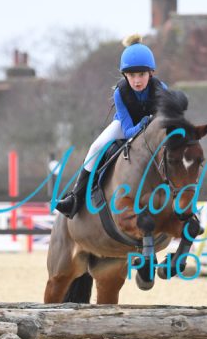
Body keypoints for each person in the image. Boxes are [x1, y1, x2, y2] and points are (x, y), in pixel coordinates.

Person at [55, 34, 168, 218]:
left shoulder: (161, 90)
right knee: (96, 147)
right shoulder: (120, 93)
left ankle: (185, 203)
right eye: (132, 75)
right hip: (126, 125)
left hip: (153, 129)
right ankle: (75, 197)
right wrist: (142, 125)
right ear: (125, 75)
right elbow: (128, 131)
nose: (137, 81)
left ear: (151, 73)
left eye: (141, 74)